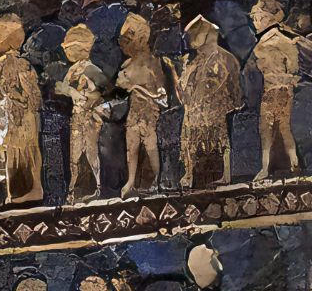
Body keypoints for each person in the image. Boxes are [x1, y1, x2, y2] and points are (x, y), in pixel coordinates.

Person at [175, 14, 242, 189]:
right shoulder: (193, 62)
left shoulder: (225, 58)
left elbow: (234, 88)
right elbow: (183, 91)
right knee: (191, 138)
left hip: (216, 110)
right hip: (195, 112)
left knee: (221, 141)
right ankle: (190, 173)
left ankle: (225, 174)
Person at [0, 15, 45, 206]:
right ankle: (13, 193)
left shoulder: (18, 64)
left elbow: (33, 95)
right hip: (8, 118)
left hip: (22, 117)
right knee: (10, 153)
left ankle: (34, 189)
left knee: (27, 151)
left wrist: (17, 103)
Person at [249, 0, 305, 179]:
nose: (255, 23)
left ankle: (271, 167)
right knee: (279, 128)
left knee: (270, 128)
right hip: (278, 89)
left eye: (258, 19)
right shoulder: (277, 39)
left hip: (276, 90)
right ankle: (291, 164)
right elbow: (293, 67)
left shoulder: (273, 41)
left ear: (266, 18)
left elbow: (292, 67)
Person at [114, 14, 170, 196]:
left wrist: (137, 88)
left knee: (151, 146)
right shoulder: (128, 63)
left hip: (149, 112)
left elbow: (161, 93)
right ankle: (131, 182)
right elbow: (121, 85)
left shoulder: (152, 63)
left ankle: (157, 179)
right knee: (132, 146)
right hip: (134, 111)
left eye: (127, 40)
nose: (123, 45)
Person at [57, 23, 109, 201]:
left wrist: (78, 95)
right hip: (77, 117)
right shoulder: (73, 70)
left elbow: (104, 92)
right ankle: (75, 189)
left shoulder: (91, 69)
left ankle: (95, 187)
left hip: (89, 117)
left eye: (70, 48)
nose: (67, 52)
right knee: (75, 152)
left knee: (91, 151)